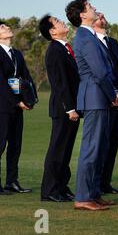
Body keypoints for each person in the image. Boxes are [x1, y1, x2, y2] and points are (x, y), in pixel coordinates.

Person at [66, 0, 118, 211]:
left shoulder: (90, 36)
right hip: (95, 97)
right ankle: (83, 197)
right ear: (82, 15)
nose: (95, 8)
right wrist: (113, 94)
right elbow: (99, 71)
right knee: (92, 148)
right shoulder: (85, 37)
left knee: (101, 148)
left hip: (100, 98)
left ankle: (94, 193)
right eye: (90, 7)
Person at [0, 21, 36, 195]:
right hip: (3, 107)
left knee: (15, 145)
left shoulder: (17, 54)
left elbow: (26, 78)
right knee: (0, 144)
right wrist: (17, 102)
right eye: (2, 28)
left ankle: (11, 182)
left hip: (18, 107)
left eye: (7, 26)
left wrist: (29, 100)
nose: (7, 28)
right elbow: (0, 84)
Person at [39, 15, 80, 202]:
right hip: (63, 108)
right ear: (52, 31)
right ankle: (49, 191)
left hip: (71, 108)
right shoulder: (55, 50)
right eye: (57, 21)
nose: (62, 22)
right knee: (57, 149)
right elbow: (59, 82)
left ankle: (62, 187)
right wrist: (69, 108)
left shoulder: (65, 48)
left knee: (66, 149)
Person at [93, 12, 118, 195]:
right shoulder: (91, 43)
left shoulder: (113, 42)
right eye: (97, 14)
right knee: (101, 145)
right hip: (104, 102)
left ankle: (106, 182)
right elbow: (98, 75)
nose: (102, 15)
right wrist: (112, 96)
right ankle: (96, 184)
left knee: (113, 144)